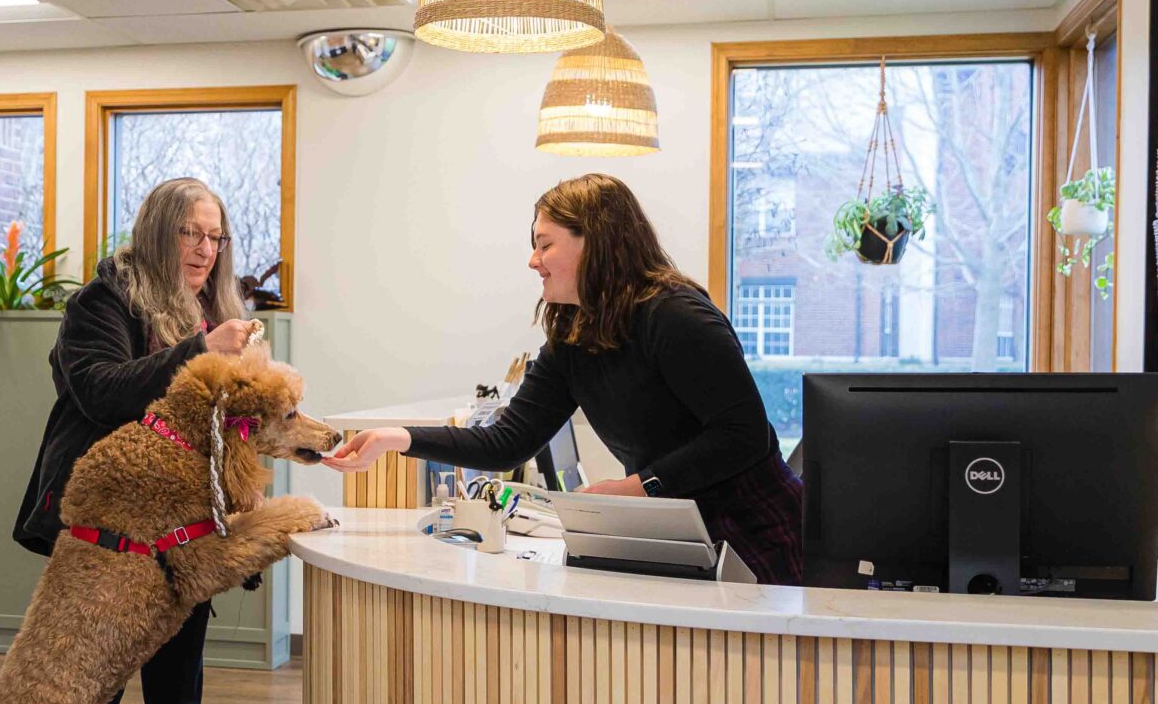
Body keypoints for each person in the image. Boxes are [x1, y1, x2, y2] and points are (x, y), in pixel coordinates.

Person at [326, 172, 804, 583]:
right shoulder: (574, 335)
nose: (533, 261)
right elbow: (507, 443)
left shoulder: (675, 315)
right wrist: (397, 439)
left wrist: (639, 487)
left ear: (595, 242)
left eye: (544, 244)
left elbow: (741, 435)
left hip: (753, 531)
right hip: (678, 529)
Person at [13, 177, 258, 704]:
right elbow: (101, 390)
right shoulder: (104, 302)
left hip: (181, 548)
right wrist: (197, 352)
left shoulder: (221, 312)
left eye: (215, 237)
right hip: (107, 547)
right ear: (159, 232)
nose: (205, 249)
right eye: (191, 233)